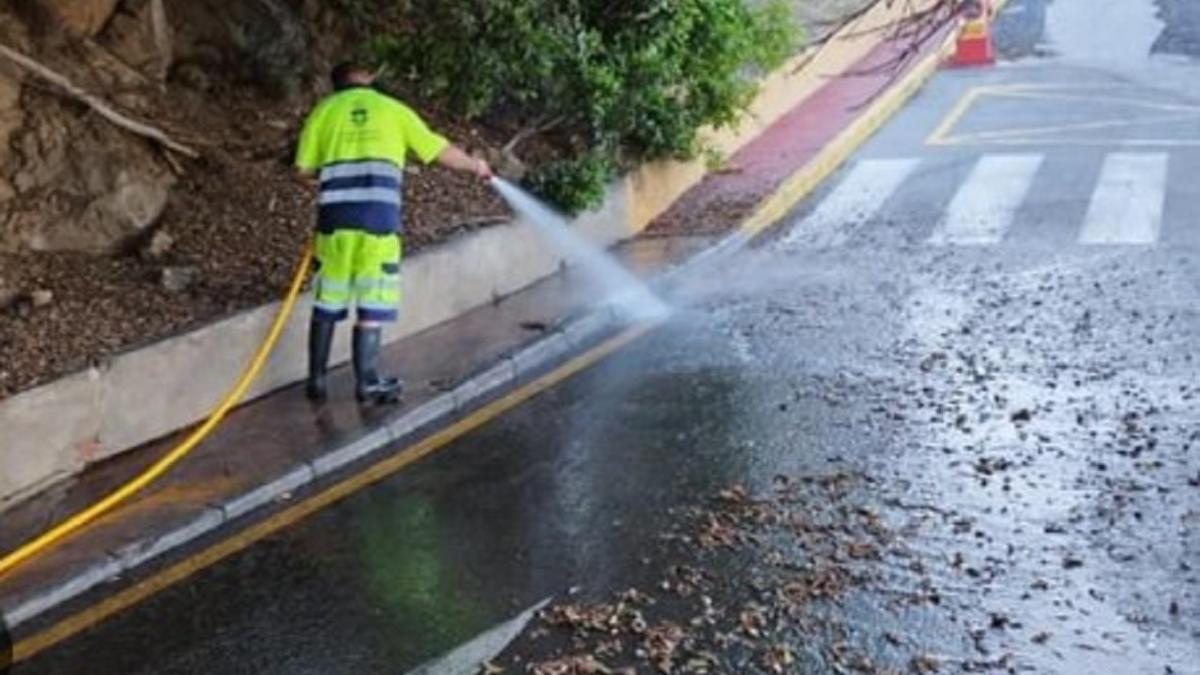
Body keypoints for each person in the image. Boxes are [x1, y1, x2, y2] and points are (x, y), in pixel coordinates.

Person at [295, 61, 492, 404]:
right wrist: (476, 166)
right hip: (378, 224)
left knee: (328, 300)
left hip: (334, 224)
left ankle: (317, 381)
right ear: (368, 78)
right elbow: (437, 150)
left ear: (336, 84)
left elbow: (302, 168)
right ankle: (367, 383)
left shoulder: (322, 113)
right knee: (372, 303)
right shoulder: (393, 111)